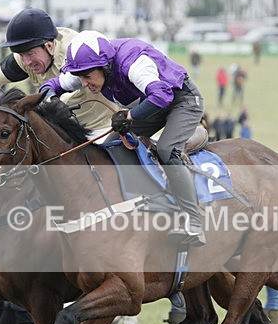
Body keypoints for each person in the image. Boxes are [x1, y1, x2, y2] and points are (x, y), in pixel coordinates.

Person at [41, 30, 206, 246]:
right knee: (111, 146)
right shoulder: (89, 67)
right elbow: (50, 86)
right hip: (152, 103)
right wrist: (52, 99)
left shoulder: (133, 63)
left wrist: (130, 116)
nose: (84, 84)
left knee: (166, 149)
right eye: (80, 77)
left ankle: (194, 220)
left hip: (182, 100)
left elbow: (162, 96)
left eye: (87, 77)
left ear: (105, 67)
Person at [0, 8, 114, 131]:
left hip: (101, 129)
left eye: (29, 54)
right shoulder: (25, 58)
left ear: (50, 46)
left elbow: (61, 103)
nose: (26, 62)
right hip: (64, 131)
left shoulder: (77, 53)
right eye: (21, 54)